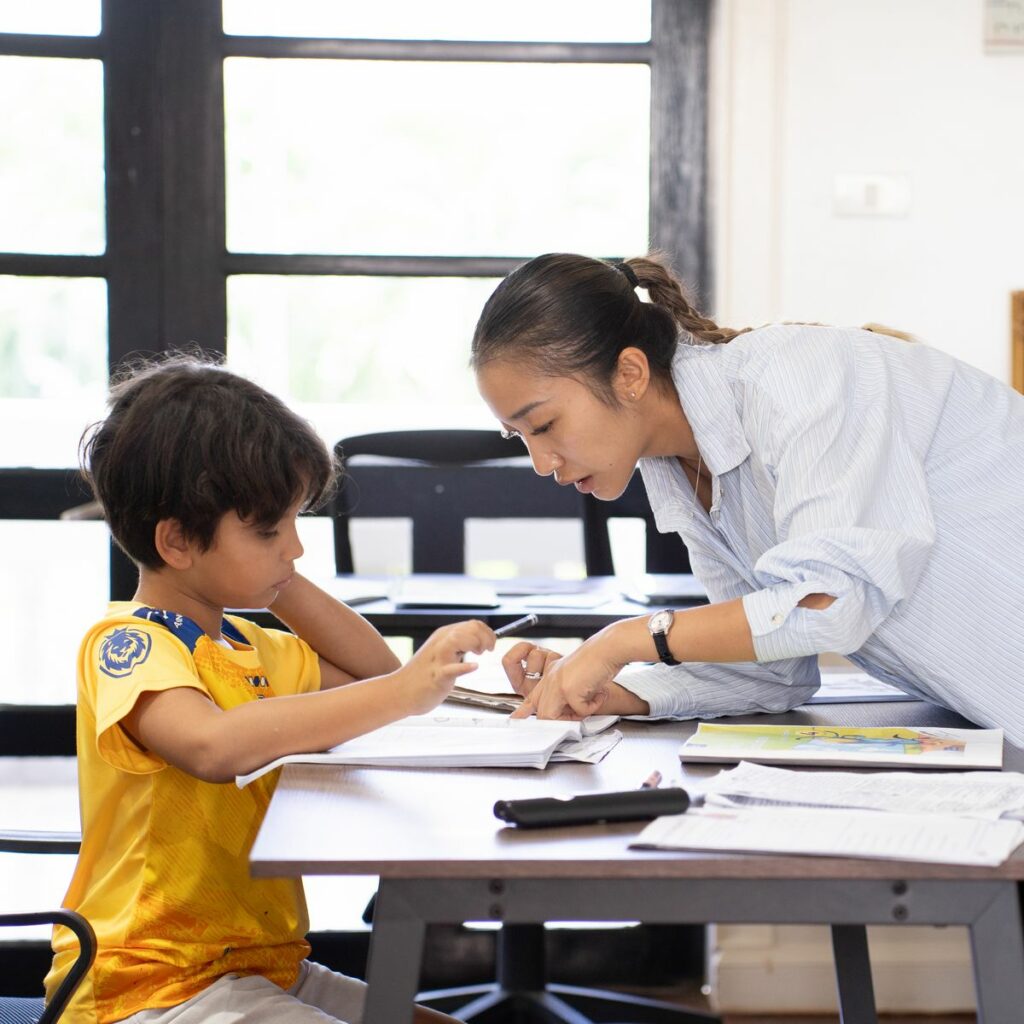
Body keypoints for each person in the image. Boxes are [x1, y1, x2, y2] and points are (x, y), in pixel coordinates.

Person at [47, 355, 490, 1024]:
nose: (297, 549)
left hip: (259, 969)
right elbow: (212, 745)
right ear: (176, 541)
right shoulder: (127, 645)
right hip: (145, 988)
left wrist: (270, 574)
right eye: (269, 529)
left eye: (294, 523)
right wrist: (406, 689)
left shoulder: (254, 651)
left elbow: (373, 677)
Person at [472, 252, 1024, 745]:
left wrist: (623, 640)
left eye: (543, 426)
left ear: (630, 374)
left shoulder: (799, 377)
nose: (542, 464)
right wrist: (611, 690)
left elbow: (829, 603)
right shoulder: (682, 471)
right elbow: (773, 667)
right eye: (518, 438)